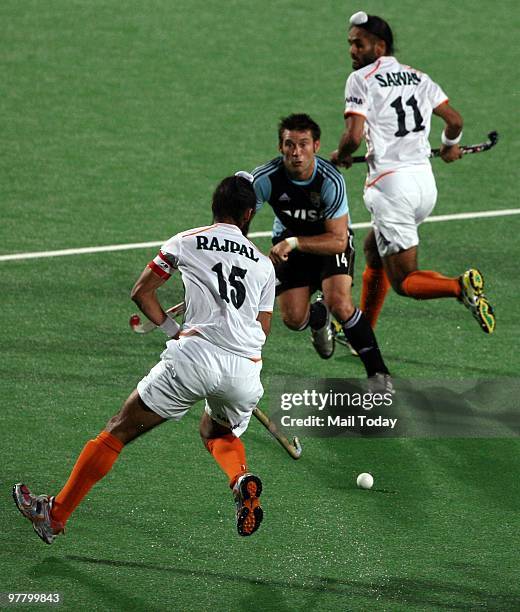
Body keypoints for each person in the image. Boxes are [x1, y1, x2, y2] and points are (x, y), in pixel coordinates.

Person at [13, 172, 276, 544]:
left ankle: (54, 515)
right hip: (245, 372)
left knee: (119, 429)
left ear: (214, 207)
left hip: (195, 358)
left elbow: (142, 293)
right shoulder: (264, 266)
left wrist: (175, 330)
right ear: (250, 213)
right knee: (216, 430)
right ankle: (240, 480)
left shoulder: (186, 242)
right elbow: (261, 331)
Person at [331, 11, 495, 334]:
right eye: (350, 44)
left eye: (358, 44)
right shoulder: (420, 77)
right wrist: (450, 146)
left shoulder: (361, 79)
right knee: (372, 250)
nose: (352, 50)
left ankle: (458, 287)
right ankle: (362, 331)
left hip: (392, 190)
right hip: (424, 186)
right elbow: (455, 121)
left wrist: (343, 155)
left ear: (379, 47)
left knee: (405, 280)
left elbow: (352, 136)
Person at [252, 113, 391, 389]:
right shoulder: (265, 179)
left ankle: (378, 374)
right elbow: (237, 226)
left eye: (303, 144)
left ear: (316, 146)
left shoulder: (330, 180)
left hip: (327, 241)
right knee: (293, 319)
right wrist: (249, 259)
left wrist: (292, 243)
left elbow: (339, 240)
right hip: (289, 241)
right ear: (280, 147)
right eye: (289, 145)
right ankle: (318, 317)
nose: (296, 152)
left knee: (340, 302)